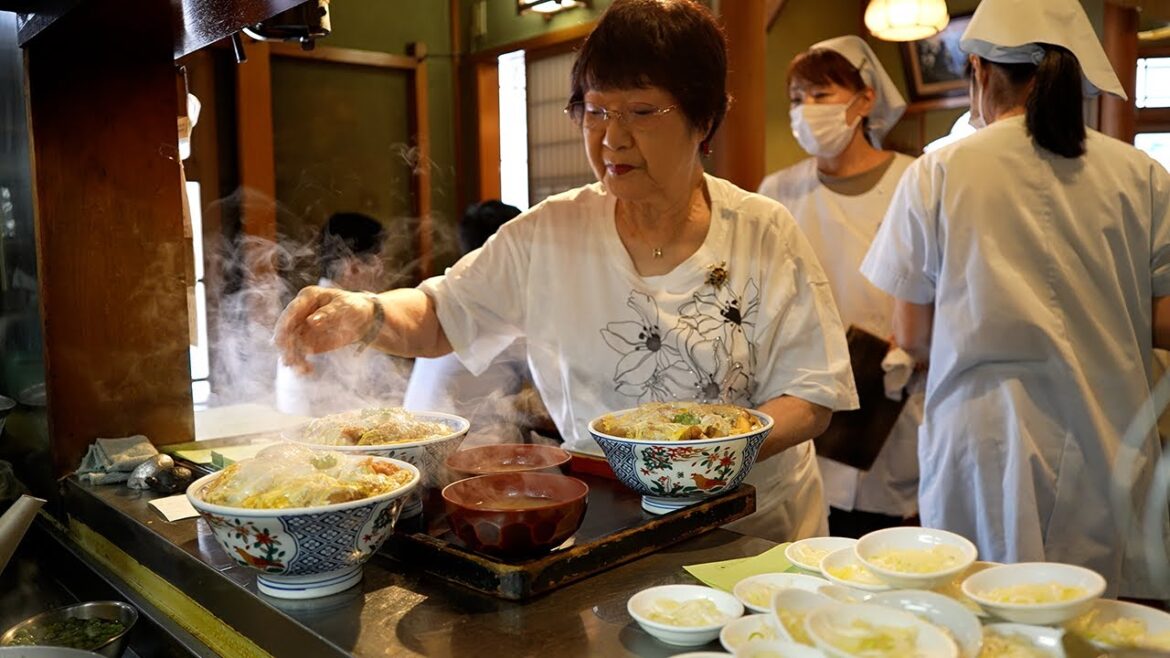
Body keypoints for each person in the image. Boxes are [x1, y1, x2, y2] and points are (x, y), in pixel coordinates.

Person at [275, 0, 858, 542]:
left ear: (704, 118)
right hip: (610, 524)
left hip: (755, 532)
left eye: (641, 111)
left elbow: (812, 394)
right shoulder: (549, 232)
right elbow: (440, 316)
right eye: (595, 110)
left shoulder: (764, 231)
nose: (612, 137)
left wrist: (700, 449)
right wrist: (367, 311)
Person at [860, 0, 1170, 599]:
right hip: (1108, 438)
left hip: (983, 444)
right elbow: (1164, 322)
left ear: (978, 70)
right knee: (1097, 623)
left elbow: (915, 335)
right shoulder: (1143, 176)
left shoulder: (939, 171)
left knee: (982, 614)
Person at [758, 35, 921, 539]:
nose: (806, 110)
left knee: (878, 539)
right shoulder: (777, 192)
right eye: (796, 98)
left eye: (821, 95)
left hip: (890, 396)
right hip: (798, 394)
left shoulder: (912, 182)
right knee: (803, 532)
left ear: (864, 100)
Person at [403, 200, 554, 447]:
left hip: (415, 447)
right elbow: (555, 398)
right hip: (464, 456)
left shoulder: (445, 292)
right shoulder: (505, 303)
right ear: (507, 250)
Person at [274, 212, 411, 416]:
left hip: (309, 421)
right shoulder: (337, 314)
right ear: (353, 267)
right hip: (322, 430)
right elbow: (355, 399)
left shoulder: (320, 305)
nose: (383, 271)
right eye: (379, 262)